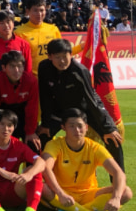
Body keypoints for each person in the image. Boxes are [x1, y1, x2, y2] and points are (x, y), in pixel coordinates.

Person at [37, 38, 124, 170]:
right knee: (38, 139)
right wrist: (45, 124)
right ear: (50, 57)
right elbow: (45, 97)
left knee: (113, 140)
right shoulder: (43, 68)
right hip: (59, 111)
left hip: (84, 110)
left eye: (65, 56)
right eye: (57, 57)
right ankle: (35, 183)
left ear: (71, 55)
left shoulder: (79, 71)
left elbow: (92, 99)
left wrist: (108, 128)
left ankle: (119, 183)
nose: (62, 61)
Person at [41, 108, 131, 211]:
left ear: (86, 127)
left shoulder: (94, 147)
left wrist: (116, 198)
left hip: (88, 194)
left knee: (126, 192)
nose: (77, 130)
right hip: (61, 193)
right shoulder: (54, 145)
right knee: (41, 186)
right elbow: (46, 168)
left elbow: (118, 172)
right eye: (71, 126)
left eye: (80, 126)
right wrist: (61, 194)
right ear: (63, 128)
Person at [0, 51, 40, 151]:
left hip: (22, 114)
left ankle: (32, 166)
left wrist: (30, 132)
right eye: (12, 66)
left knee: (34, 144)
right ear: (4, 68)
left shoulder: (31, 81)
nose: (17, 70)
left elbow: (32, 108)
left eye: (20, 66)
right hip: (2, 113)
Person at [15, 0, 69, 75]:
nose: (39, 14)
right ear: (27, 11)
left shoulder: (53, 29)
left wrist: (82, 46)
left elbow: (61, 52)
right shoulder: (19, 32)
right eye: (35, 10)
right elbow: (17, 60)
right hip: (30, 78)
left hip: (52, 76)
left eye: (41, 10)